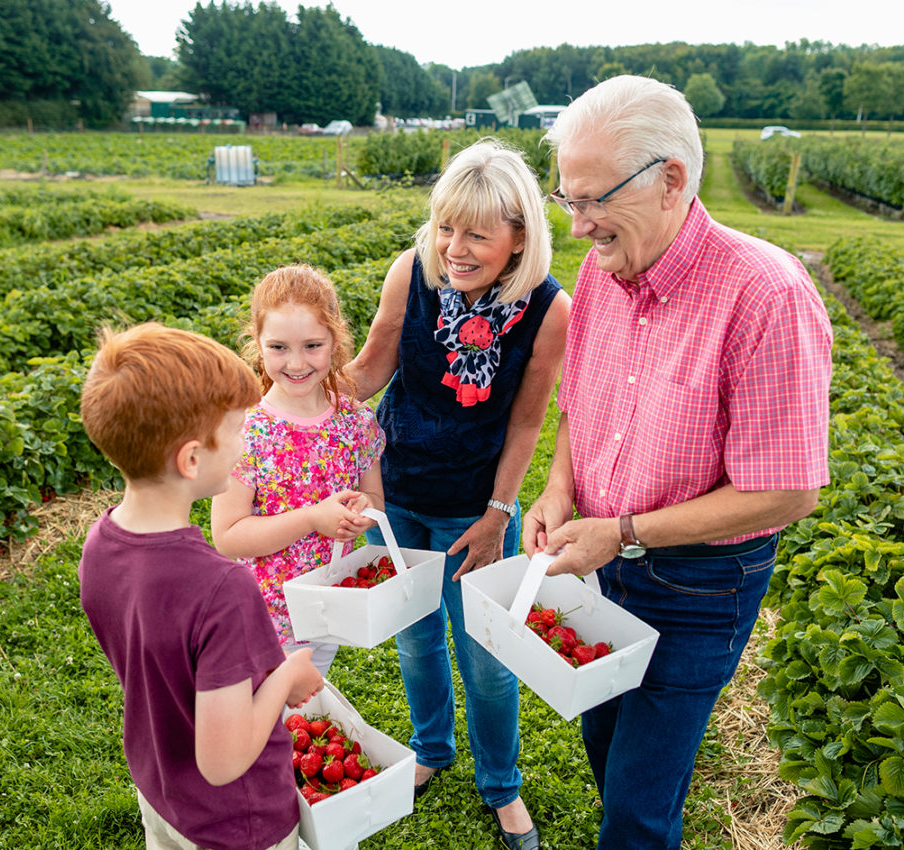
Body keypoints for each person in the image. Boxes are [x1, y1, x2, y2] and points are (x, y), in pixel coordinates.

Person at [523, 75, 834, 849]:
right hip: (601, 559)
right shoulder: (601, 271)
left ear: (671, 181)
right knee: (607, 757)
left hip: (696, 585)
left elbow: (787, 491)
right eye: (569, 199)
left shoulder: (766, 294)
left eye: (594, 199)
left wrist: (621, 530)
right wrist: (560, 490)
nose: (580, 222)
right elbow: (579, 405)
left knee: (635, 809)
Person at [345, 138, 571, 850]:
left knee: (487, 657)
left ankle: (501, 787)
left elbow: (529, 418)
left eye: (477, 232)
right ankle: (432, 750)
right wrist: (294, 386)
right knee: (416, 642)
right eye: (447, 226)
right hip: (398, 490)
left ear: (519, 237)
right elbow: (372, 368)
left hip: (475, 504)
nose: (456, 247)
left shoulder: (547, 309)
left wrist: (498, 512)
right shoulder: (409, 273)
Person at [76, 322, 324, 850]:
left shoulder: (101, 544)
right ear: (192, 460)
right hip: (238, 822)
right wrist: (286, 677)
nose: (244, 442)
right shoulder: (223, 589)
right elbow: (224, 761)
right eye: (236, 430)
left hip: (163, 792)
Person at [210, 265, 385, 676]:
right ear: (257, 345)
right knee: (263, 726)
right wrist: (311, 518)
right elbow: (228, 536)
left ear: (335, 341)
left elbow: (376, 499)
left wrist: (363, 510)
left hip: (326, 608)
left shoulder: (354, 422)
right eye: (278, 347)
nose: (296, 362)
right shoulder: (247, 430)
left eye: (311, 345)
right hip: (262, 616)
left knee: (304, 716)